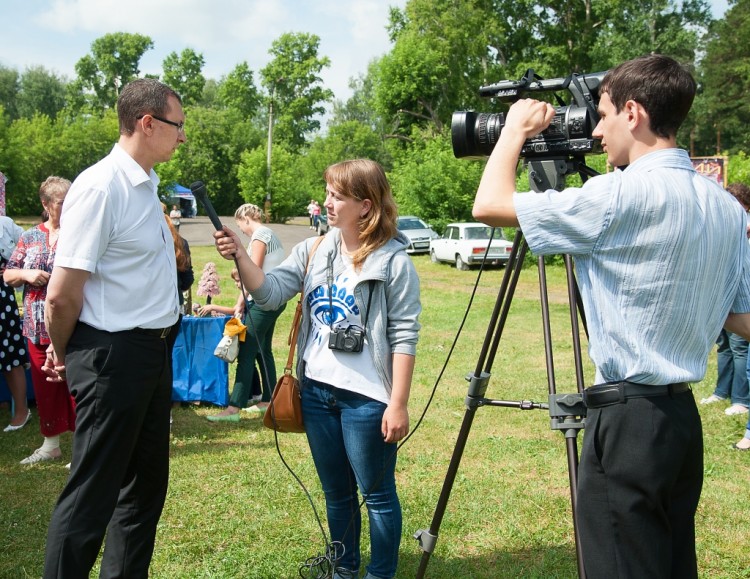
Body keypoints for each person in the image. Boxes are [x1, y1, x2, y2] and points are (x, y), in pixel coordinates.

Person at [472, 54, 750, 578]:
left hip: (626, 420)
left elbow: (488, 203)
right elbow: (742, 318)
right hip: (680, 423)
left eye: (602, 115)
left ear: (632, 112)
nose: (596, 131)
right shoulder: (726, 207)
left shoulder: (615, 196)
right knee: (668, 564)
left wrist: (513, 131)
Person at [213, 159, 421, 579]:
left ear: (365, 206)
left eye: (336, 196)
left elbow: (404, 336)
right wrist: (239, 253)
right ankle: (344, 570)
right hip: (318, 393)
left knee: (377, 495)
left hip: (368, 400)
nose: (326, 203)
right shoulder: (314, 249)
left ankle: (380, 574)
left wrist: (397, 403)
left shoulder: (393, 261)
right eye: (327, 193)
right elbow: (269, 293)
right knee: (336, 493)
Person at [42, 77, 185, 578]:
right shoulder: (102, 186)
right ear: (148, 124)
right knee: (92, 497)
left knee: (144, 491)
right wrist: (65, 353)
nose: (182, 136)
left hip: (150, 354)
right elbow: (61, 292)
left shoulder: (144, 185)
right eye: (177, 125)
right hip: (112, 356)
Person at [4, 176, 76, 463]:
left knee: (77, 387)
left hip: (74, 323)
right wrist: (26, 274)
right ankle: (51, 444)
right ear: (46, 205)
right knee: (46, 387)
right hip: (36, 327)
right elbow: (8, 273)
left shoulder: (79, 233)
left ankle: (84, 448)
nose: (69, 206)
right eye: (62, 202)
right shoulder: (30, 236)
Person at [206, 203, 286, 422]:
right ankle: (268, 400)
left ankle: (234, 408)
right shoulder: (268, 235)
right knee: (263, 351)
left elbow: (254, 272)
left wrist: (241, 301)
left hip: (263, 300)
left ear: (246, 218)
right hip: (273, 299)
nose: (239, 228)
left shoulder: (261, 235)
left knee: (247, 350)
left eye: (239, 223)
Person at [702, 182, 750, 417]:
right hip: (721, 292)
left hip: (740, 296)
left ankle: (741, 399)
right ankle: (722, 391)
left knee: (740, 346)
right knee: (724, 345)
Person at [0, 214, 30, 432]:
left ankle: (21, 411)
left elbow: (31, 242)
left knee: (10, 354)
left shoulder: (5, 224)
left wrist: (15, 270)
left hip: (2, 299)